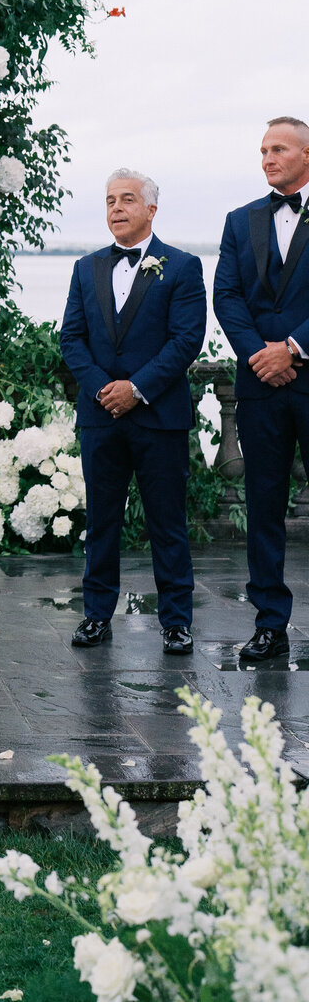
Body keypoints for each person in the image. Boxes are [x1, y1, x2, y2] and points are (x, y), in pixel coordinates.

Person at [59, 170, 206, 654]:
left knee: (167, 523)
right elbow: (71, 339)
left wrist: (137, 389)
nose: (116, 208)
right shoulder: (86, 268)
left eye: (127, 199)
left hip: (159, 418)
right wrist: (105, 389)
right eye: (109, 201)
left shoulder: (182, 266)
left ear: (151, 209)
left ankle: (177, 622)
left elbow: (186, 339)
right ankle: (96, 616)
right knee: (102, 522)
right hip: (101, 415)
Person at [214, 116, 309, 663]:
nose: (268, 158)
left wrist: (293, 348)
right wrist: (261, 354)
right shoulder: (240, 220)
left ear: (306, 155)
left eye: (279, 149)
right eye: (263, 150)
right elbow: (226, 295)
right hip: (260, 385)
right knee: (264, 505)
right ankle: (270, 625)